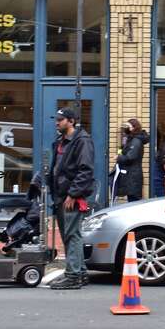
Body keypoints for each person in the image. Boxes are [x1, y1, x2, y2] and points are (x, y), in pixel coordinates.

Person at [46, 107, 96, 290]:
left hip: (71, 197)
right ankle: (80, 273)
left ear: (71, 121)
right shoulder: (62, 141)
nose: (57, 122)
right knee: (70, 235)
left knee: (72, 235)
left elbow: (86, 170)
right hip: (61, 195)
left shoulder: (82, 141)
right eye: (57, 119)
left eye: (61, 119)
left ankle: (73, 275)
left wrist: (74, 194)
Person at [112, 118, 148, 203]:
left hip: (133, 176)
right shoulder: (129, 139)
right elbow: (123, 151)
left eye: (129, 126)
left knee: (134, 200)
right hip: (130, 175)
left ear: (134, 127)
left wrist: (118, 157)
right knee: (131, 199)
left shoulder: (136, 141)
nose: (126, 128)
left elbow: (130, 157)